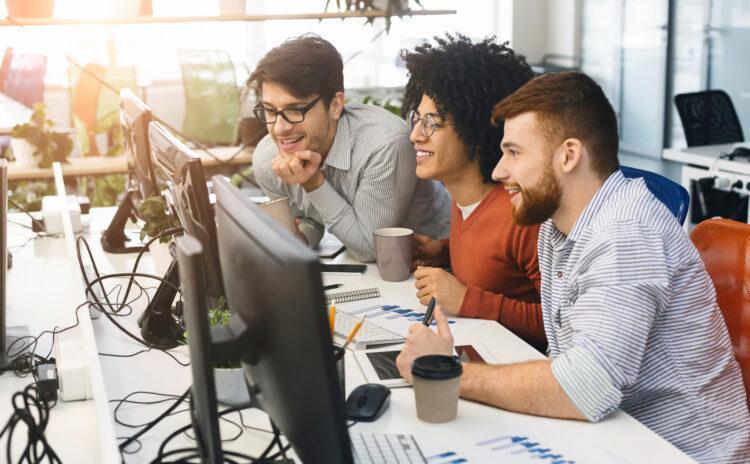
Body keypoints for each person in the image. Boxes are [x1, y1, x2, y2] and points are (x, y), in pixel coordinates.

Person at [396, 71, 750, 463]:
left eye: (514, 153)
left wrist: (447, 371)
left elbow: (586, 388)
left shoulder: (625, 234)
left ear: (568, 155)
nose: (498, 172)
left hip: (677, 453)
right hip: (609, 436)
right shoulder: (554, 226)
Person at [248, 34, 451, 262]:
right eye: (270, 111)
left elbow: (370, 248)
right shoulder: (268, 159)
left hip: (442, 262)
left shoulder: (385, 143)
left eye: (295, 110)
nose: (279, 128)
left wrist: (313, 183)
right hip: (369, 270)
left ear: (335, 106)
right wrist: (300, 238)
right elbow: (310, 219)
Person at [400, 33, 545, 351]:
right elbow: (495, 258)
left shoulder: (522, 215)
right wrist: (445, 252)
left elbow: (558, 324)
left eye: (432, 122)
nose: (415, 135)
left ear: (475, 129)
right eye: (416, 119)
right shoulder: (463, 196)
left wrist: (468, 300)